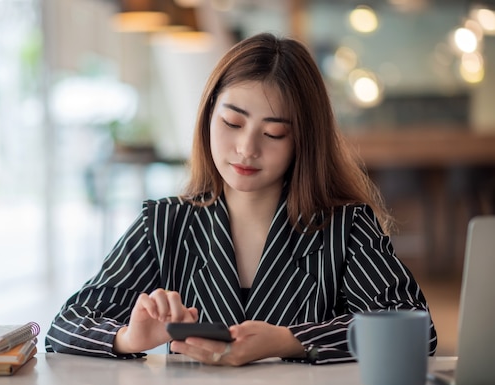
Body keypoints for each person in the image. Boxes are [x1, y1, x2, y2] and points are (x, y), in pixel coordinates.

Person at [45, 32, 437, 365]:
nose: (247, 149)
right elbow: (64, 325)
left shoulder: (345, 226)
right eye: (232, 123)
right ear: (208, 116)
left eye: (273, 134)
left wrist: (288, 340)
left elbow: (416, 329)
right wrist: (130, 338)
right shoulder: (164, 223)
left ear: (304, 140)